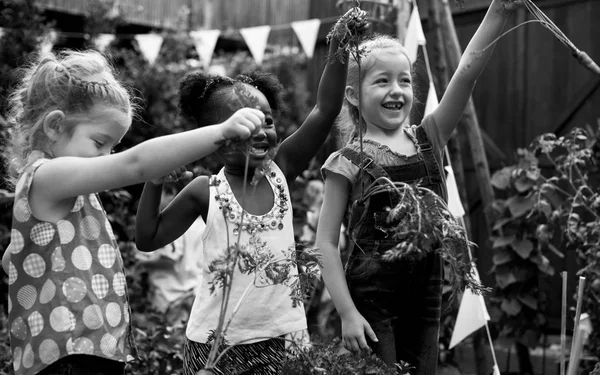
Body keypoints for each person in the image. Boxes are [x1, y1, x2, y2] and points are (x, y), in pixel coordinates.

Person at [1, 49, 264, 375]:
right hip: (67, 356)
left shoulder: (64, 192)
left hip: (86, 351)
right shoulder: (46, 177)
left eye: (112, 148)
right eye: (99, 143)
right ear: (55, 126)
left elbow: (15, 259)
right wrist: (219, 132)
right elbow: (134, 163)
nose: (107, 156)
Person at [134, 10, 368, 374]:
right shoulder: (205, 191)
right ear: (215, 137)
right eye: (245, 122)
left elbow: (326, 110)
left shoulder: (282, 170)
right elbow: (147, 239)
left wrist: (338, 43)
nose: (261, 131)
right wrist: (154, 180)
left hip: (284, 339)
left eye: (267, 120)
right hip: (216, 346)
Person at [315, 0, 521, 373]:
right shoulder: (346, 161)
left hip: (426, 294)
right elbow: (325, 244)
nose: (397, 90)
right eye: (382, 81)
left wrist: (500, 11)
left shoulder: (430, 136)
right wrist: (346, 313)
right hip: (371, 300)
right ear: (352, 97)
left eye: (404, 80)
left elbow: (466, 74)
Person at [134, 182, 205, 324]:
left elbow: (170, 257)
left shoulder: (174, 222)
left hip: (171, 294)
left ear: (170, 193)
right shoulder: (200, 222)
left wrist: (140, 262)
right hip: (193, 290)